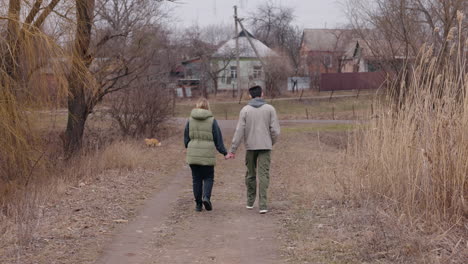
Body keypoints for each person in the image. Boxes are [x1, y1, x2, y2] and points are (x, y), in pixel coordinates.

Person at [227, 85, 280, 214]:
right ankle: (263, 205)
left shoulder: (245, 110)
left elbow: (239, 131)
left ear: (250, 96)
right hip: (265, 147)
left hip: (250, 147)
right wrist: (270, 142)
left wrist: (233, 149)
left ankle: (250, 202)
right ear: (262, 94)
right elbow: (275, 131)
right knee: (263, 175)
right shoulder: (270, 109)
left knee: (250, 174)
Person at [184, 98, 228, 212]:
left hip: (193, 153)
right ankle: (206, 197)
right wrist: (224, 152)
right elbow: (218, 139)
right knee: (208, 177)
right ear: (208, 107)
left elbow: (186, 137)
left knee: (196, 179)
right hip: (207, 154)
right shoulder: (212, 120)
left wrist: (188, 147)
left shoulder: (190, 120)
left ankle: (198, 205)